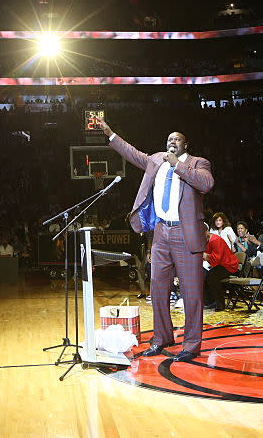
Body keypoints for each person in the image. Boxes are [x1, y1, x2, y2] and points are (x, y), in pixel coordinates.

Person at [101, 119, 213, 362]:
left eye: (177, 139)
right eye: (170, 138)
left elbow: (206, 183)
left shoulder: (197, 163)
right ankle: (162, 338)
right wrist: (110, 134)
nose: (172, 141)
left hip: (186, 233)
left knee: (191, 293)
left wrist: (178, 165)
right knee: (158, 290)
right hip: (161, 232)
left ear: (186, 144)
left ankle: (191, 345)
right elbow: (132, 153)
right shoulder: (156, 160)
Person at [203, 226, 239, 311]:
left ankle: (220, 303)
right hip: (219, 265)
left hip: (229, 265)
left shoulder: (215, 240)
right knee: (204, 276)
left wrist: (206, 256)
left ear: (206, 232)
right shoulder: (206, 240)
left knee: (212, 277)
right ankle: (209, 301)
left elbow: (217, 258)